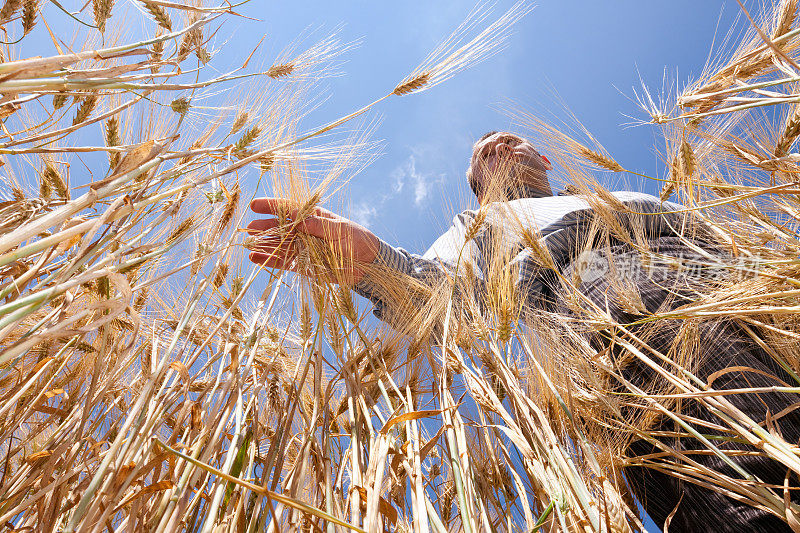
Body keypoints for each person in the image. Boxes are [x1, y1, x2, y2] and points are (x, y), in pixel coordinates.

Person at [247, 131, 800, 532]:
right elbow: (438, 299)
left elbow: (713, 239)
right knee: (747, 480)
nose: (500, 149)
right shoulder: (475, 227)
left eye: (510, 143)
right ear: (477, 184)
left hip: (745, 284)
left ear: (542, 160)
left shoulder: (615, 194)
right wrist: (372, 265)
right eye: (485, 153)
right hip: (604, 301)